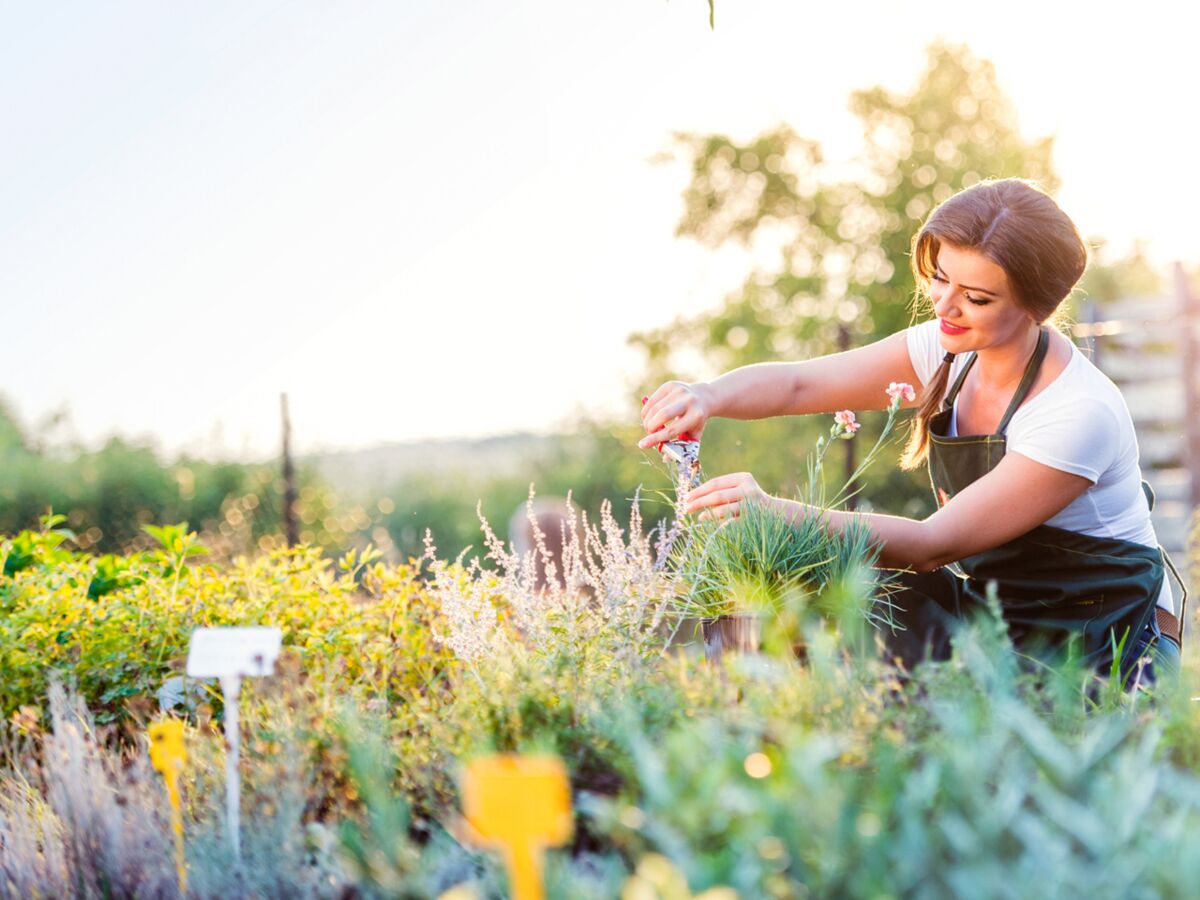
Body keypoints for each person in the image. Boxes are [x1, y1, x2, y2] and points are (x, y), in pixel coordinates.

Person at [638, 177, 1185, 686]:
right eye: (941, 278)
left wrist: (778, 513)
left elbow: (930, 546)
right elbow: (800, 386)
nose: (944, 306)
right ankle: (754, 738)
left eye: (976, 297)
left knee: (861, 587)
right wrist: (706, 395)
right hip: (998, 613)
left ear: (1035, 308)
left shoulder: (1077, 413)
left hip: (1100, 647)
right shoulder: (948, 349)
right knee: (824, 582)